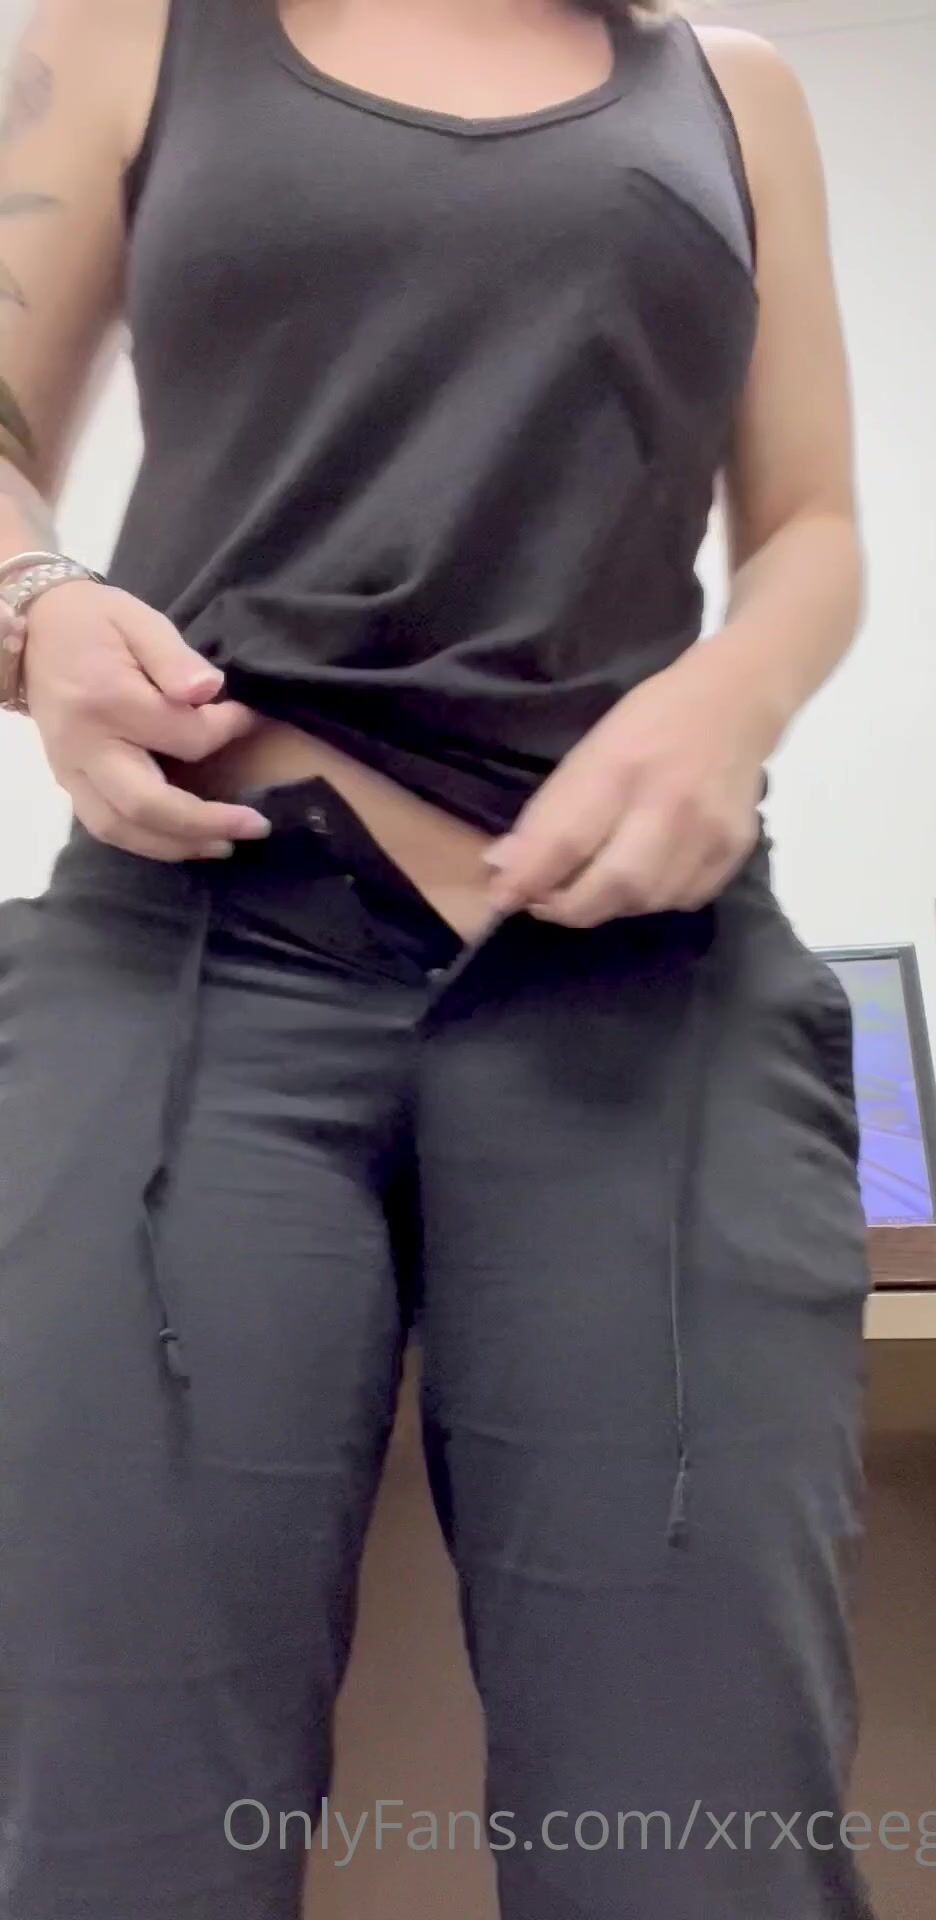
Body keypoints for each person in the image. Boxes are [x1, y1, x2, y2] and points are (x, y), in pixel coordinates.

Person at [0, 1, 874, 1916]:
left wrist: (730, 698)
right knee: (116, 1826)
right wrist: (37, 604)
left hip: (641, 990)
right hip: (196, 954)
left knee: (698, 1835)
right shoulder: (135, 31)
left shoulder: (733, 94)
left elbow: (811, 527)